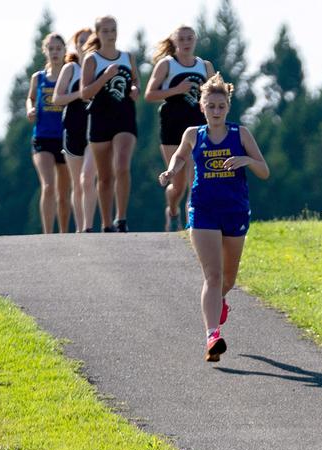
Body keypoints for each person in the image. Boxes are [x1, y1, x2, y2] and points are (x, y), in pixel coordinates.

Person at [159, 73, 270, 361]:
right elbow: (181, 156)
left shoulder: (240, 134)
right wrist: (172, 171)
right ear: (202, 107)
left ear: (228, 107)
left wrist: (246, 160)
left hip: (234, 210)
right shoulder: (194, 134)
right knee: (213, 274)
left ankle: (220, 301)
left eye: (221, 106)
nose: (216, 111)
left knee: (229, 278)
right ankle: (212, 336)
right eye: (211, 106)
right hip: (203, 209)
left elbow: (264, 170)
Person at [144, 25, 214, 231]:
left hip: (197, 129)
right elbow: (149, 94)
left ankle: (192, 227)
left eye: (190, 38)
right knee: (179, 183)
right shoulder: (167, 65)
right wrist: (177, 90)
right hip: (172, 128)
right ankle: (172, 210)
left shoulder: (205, 66)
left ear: (195, 40)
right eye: (181, 39)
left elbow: (214, 94)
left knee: (196, 178)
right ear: (174, 42)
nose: (186, 42)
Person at [80, 16, 139, 233]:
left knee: (122, 165)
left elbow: (135, 82)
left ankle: (121, 218)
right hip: (99, 118)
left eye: (113, 30)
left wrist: (135, 90)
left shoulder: (128, 57)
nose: (110, 34)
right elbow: (85, 93)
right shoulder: (92, 60)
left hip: (124, 116)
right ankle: (106, 223)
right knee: (104, 176)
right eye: (105, 31)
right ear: (98, 33)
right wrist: (105, 77)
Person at [53, 27, 97, 232]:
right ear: (76, 46)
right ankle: (80, 228)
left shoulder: (99, 67)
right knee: (77, 183)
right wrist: (80, 94)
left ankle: (88, 227)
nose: (84, 46)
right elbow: (57, 98)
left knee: (87, 178)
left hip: (95, 130)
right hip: (72, 129)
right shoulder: (70, 69)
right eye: (81, 43)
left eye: (89, 42)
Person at [27, 33, 71, 234]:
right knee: (48, 185)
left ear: (64, 51)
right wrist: (30, 109)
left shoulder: (70, 75)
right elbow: (30, 98)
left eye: (58, 49)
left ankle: (62, 233)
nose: (55, 53)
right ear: (45, 51)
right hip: (42, 137)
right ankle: (48, 234)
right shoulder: (38, 77)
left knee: (63, 192)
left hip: (64, 136)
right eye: (51, 49)